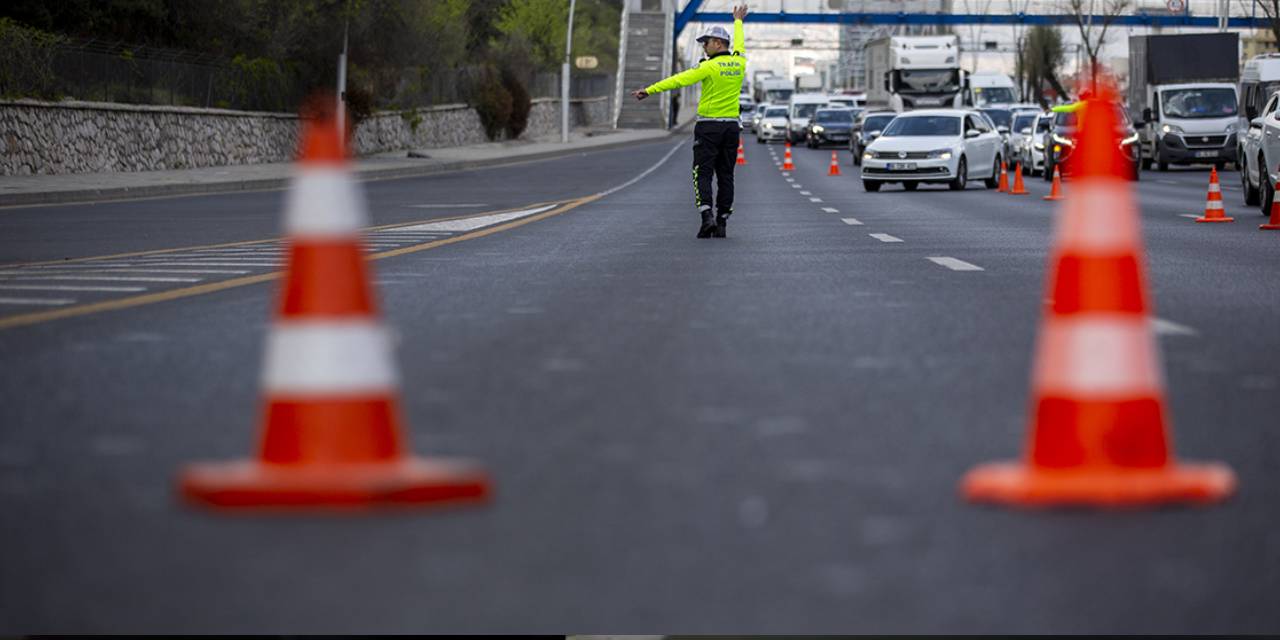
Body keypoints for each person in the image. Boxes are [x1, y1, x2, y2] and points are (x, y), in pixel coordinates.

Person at [633, 5, 748, 238]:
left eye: (706, 43)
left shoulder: (708, 67)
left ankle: (707, 217)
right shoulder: (740, 63)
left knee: (702, 173)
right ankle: (723, 221)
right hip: (731, 128)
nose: (703, 48)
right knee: (726, 175)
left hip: (709, 127)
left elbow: (679, 80)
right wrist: (738, 21)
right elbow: (741, 45)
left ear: (717, 43)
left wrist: (649, 90)